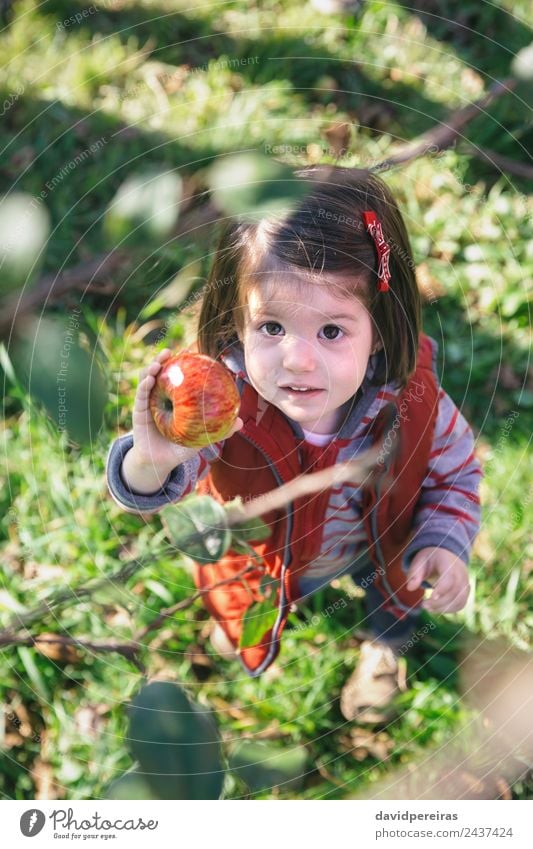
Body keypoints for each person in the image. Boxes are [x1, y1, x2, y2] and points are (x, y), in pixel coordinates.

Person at [106, 166, 482, 723]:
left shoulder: (411, 404)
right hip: (268, 557)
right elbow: (157, 487)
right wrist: (150, 462)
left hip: (378, 547)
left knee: (394, 601)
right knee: (246, 604)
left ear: (378, 327)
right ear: (237, 321)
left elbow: (456, 475)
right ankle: (250, 625)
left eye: (332, 331)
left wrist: (444, 541)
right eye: (272, 328)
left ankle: (384, 650)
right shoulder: (225, 409)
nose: (298, 360)